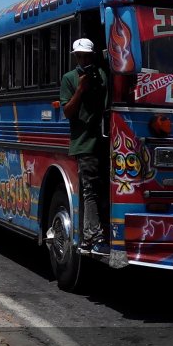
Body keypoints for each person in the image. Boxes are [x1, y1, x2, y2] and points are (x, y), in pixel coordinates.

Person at [60, 38, 109, 256]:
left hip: (105, 141)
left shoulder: (103, 75)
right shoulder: (69, 79)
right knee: (90, 190)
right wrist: (80, 89)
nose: (83, 60)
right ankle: (92, 236)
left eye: (87, 56)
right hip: (84, 143)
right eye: (79, 56)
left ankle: (102, 232)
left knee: (104, 189)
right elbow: (68, 112)